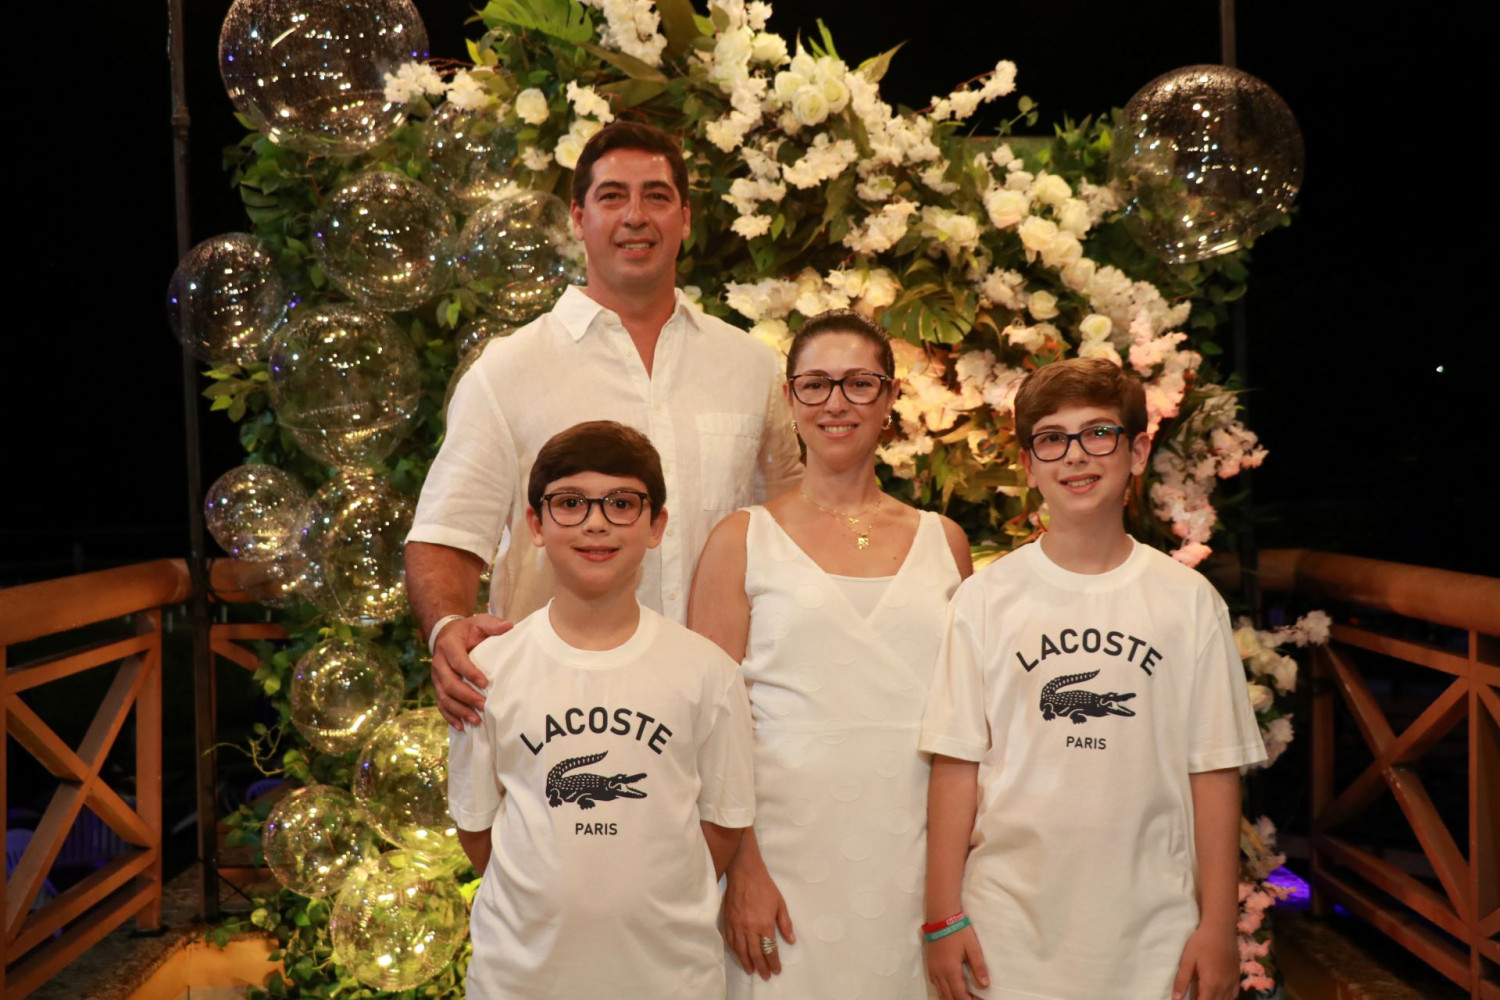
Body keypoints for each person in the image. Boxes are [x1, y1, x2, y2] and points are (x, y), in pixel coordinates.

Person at [407, 121, 802, 728]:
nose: (635, 216)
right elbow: (445, 534)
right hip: (553, 716)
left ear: (685, 219)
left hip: (721, 709)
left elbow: (793, 531)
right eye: (612, 196)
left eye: (657, 196)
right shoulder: (509, 371)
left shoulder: (749, 366)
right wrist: (447, 629)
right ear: (578, 217)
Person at [919, 357, 1266, 1000]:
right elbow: (955, 763)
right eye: (1052, 438)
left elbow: (1214, 772)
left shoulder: (1189, 601)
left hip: (1153, 934)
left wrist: (1218, 926)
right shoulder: (984, 600)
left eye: (1098, 433)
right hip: (1006, 932)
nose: (1076, 455)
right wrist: (943, 916)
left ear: (1137, 452)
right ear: (1028, 464)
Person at [690, 310, 973, 998]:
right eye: (815, 385)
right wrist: (742, 869)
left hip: (917, 856)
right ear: (790, 400)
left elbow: (967, 724)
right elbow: (709, 727)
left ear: (890, 397)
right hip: (783, 861)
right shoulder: (740, 540)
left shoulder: (945, 541)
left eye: (858, 383)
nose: (836, 403)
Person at [447, 420, 756, 998]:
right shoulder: (486, 670)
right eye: (570, 503)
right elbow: (479, 832)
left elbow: (721, 826)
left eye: (621, 503)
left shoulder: (708, 672)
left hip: (669, 979)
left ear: (656, 525)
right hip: (521, 980)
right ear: (535, 524)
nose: (596, 522)